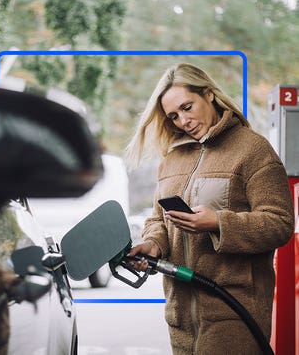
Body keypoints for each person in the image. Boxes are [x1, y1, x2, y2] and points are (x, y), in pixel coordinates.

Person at [124, 63, 294, 354]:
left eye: (188, 107)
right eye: (174, 116)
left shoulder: (252, 150)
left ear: (208, 95)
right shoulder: (172, 160)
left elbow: (279, 224)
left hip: (234, 314)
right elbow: (158, 219)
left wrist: (218, 223)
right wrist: (153, 244)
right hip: (181, 316)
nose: (183, 121)